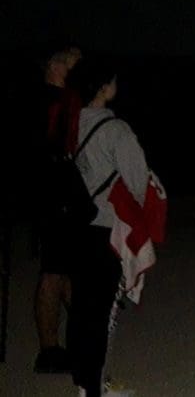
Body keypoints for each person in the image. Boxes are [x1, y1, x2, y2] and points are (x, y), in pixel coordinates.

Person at [67, 60, 151, 397]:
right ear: (103, 87)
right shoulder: (115, 130)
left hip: (77, 223)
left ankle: (82, 379)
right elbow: (137, 180)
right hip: (106, 227)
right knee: (102, 310)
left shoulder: (72, 123)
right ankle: (95, 385)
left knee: (81, 305)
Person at [34, 45, 83, 373]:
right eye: (73, 65)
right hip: (54, 196)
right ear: (56, 66)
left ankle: (72, 341)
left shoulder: (57, 100)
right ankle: (49, 350)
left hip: (58, 195)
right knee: (53, 272)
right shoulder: (51, 102)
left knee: (65, 270)